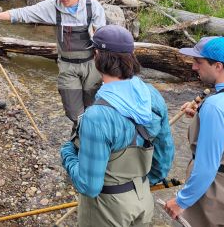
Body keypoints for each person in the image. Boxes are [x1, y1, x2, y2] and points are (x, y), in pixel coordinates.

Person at [60, 25, 174, 227]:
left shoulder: (96, 116)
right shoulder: (151, 95)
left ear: (97, 56)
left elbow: (89, 186)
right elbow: (164, 159)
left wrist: (68, 154)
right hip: (143, 201)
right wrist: (142, 184)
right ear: (131, 56)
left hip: (107, 209)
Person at [0, 0, 106, 127]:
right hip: (67, 65)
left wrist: (105, 69)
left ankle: (86, 136)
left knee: (92, 105)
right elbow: (22, 13)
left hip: (91, 64)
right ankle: (80, 129)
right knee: (73, 109)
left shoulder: (93, 7)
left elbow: (102, 39)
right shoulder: (52, 6)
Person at [164, 36, 224, 226]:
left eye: (199, 61)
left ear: (218, 66)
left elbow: (206, 167)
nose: (193, 67)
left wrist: (181, 201)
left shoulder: (216, 107)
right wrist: (202, 114)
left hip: (214, 193)